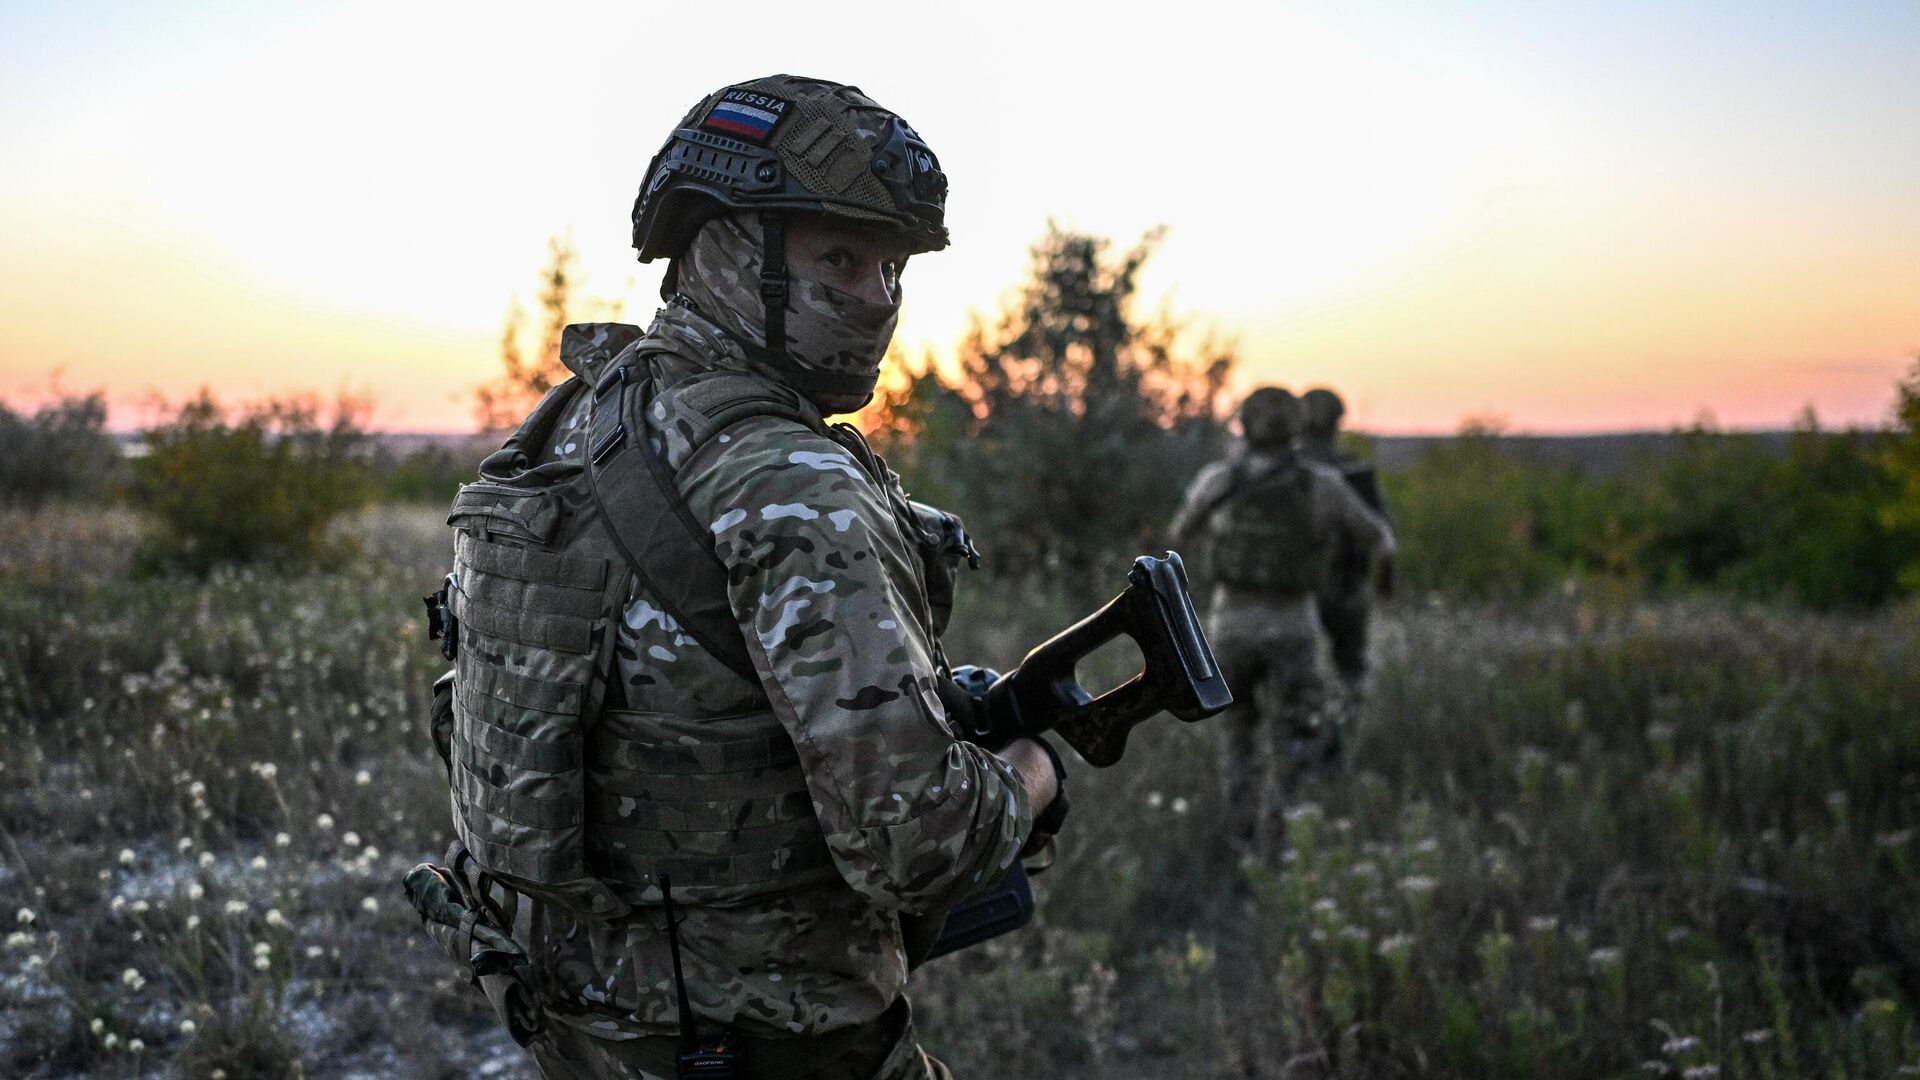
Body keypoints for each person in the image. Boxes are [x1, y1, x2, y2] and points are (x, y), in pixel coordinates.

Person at [426, 75, 1063, 1080]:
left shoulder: (579, 420)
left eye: (892, 268)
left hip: (577, 1022)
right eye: (839, 258)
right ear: (722, 245)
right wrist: (1034, 769)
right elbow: (919, 845)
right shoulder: (788, 479)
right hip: (769, 1043)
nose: (878, 300)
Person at [1168, 388, 1392, 859]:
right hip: (1294, 626)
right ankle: (1281, 835)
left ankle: (1241, 837)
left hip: (1230, 626)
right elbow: (1380, 540)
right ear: (1296, 427)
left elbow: (1177, 536)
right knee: (1294, 736)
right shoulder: (1322, 484)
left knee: (1236, 734)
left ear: (1244, 424)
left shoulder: (1219, 480)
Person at [1300, 388, 1395, 735]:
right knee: (1350, 671)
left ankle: (1308, 738)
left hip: (1299, 591)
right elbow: (1384, 537)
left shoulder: (1286, 473)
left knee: (1301, 674)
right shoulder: (1354, 472)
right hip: (1347, 587)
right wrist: (1385, 582)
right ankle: (1339, 738)